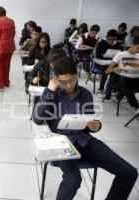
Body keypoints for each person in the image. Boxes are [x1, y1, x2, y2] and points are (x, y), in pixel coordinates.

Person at [32, 56, 138, 200]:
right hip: (63, 143)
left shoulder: (85, 94)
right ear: (55, 79)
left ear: (76, 75)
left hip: (84, 140)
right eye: (63, 82)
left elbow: (87, 122)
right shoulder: (52, 93)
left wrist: (95, 126)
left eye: (71, 80)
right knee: (73, 180)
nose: (68, 86)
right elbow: (38, 119)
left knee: (129, 172)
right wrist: (49, 91)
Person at [106, 36, 139, 112]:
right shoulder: (120, 54)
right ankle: (136, 106)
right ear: (132, 44)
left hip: (137, 79)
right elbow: (107, 70)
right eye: (138, 47)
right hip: (125, 80)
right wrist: (115, 69)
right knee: (124, 81)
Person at [95, 29, 121, 98]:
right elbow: (97, 55)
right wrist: (104, 55)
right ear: (107, 37)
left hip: (112, 63)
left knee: (118, 72)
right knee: (105, 72)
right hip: (101, 63)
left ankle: (113, 89)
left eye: (113, 39)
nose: (112, 41)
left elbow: (120, 55)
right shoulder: (101, 43)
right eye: (110, 39)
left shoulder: (117, 44)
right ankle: (101, 89)